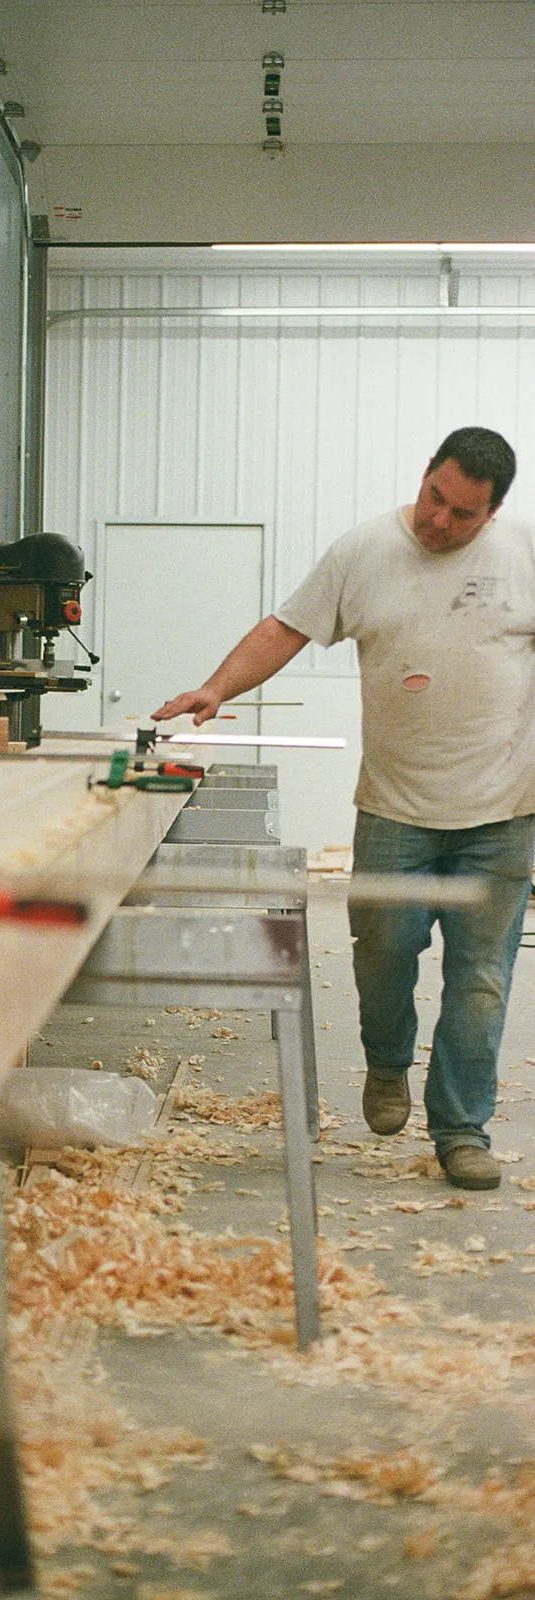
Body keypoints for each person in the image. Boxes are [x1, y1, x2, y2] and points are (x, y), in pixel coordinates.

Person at [152, 426, 535, 1191]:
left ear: (492, 513)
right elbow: (284, 628)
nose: (438, 521)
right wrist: (216, 687)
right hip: (394, 809)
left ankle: (461, 1131)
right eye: (433, 497)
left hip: (502, 812)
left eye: (461, 513)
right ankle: (386, 1062)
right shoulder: (363, 551)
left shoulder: (522, 556)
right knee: (382, 952)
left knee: (480, 982)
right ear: (424, 473)